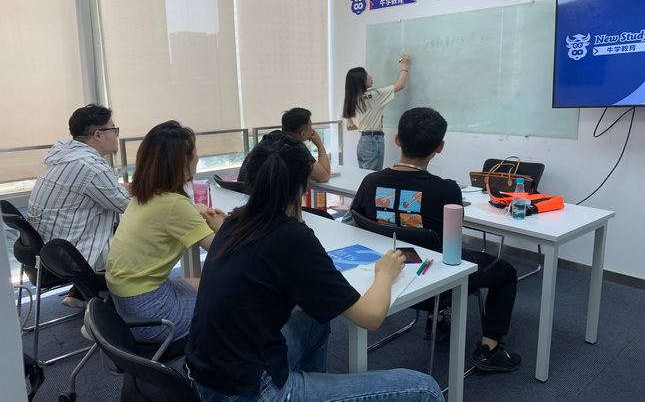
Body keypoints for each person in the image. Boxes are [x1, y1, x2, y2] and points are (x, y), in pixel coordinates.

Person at [185, 132, 443, 402]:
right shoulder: (291, 237)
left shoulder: (234, 221)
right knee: (425, 389)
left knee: (312, 321)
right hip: (250, 391)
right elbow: (371, 318)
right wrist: (384, 273)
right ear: (305, 185)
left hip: (205, 377)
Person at [351, 107, 522, 373]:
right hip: (433, 279)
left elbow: (357, 225)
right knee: (505, 271)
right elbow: (451, 240)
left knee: (428, 246)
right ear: (439, 147)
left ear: (397, 139)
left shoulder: (370, 181)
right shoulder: (446, 189)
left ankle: (437, 320)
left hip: (383, 273)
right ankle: (489, 349)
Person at [105, 121, 226, 343]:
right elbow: (224, 251)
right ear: (182, 162)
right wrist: (219, 226)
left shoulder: (145, 195)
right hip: (151, 316)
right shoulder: (174, 205)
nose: (198, 156)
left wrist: (194, 209)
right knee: (231, 302)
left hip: (126, 304)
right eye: (194, 151)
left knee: (203, 284)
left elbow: (169, 214)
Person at [27, 104, 130, 308]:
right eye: (114, 129)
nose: (116, 135)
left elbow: (108, 191)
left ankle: (81, 293)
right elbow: (129, 207)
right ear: (98, 134)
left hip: (50, 251)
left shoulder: (66, 157)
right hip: (72, 256)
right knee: (146, 240)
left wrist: (141, 186)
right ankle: (131, 305)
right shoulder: (91, 166)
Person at [342, 55, 410, 171]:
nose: (370, 77)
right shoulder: (374, 95)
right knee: (373, 177)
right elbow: (400, 85)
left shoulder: (351, 100)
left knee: (364, 175)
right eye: (367, 75)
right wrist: (405, 65)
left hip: (362, 142)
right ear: (360, 79)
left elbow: (350, 127)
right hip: (373, 140)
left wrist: (369, 120)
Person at [238, 107, 331, 183]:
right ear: (303, 134)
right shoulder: (295, 147)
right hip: (263, 198)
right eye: (310, 127)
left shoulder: (269, 138)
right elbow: (324, 177)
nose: (312, 130)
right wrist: (319, 144)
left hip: (243, 193)